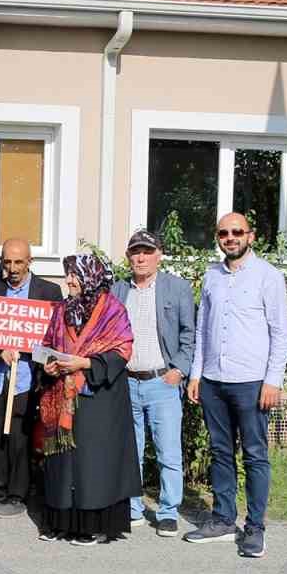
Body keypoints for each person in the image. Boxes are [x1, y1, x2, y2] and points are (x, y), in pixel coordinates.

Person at [185, 212, 287, 558]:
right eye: (223, 233)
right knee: (220, 452)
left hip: (251, 382)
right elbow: (202, 330)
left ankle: (255, 528)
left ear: (251, 236)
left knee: (256, 455)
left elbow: (280, 333)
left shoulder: (268, 277)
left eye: (237, 232)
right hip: (214, 380)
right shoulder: (212, 276)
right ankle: (223, 518)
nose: (230, 238)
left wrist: (272, 380)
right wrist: (197, 374)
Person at [36, 254, 141, 546]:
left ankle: (91, 526)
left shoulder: (113, 310)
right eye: (67, 274)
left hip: (99, 398)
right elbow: (47, 345)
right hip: (62, 396)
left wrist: (83, 363)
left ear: (91, 278)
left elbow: (122, 349)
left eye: (74, 275)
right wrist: (47, 364)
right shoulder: (62, 310)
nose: (68, 281)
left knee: (92, 465)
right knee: (63, 462)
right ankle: (60, 522)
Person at [112, 228, 196, 538]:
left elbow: (190, 333)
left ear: (159, 255)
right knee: (129, 450)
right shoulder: (118, 290)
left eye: (147, 251)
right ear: (128, 256)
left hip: (162, 381)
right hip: (127, 383)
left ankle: (168, 511)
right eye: (135, 251)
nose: (141, 257)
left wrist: (179, 370)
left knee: (168, 451)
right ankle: (132, 508)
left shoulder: (176, 288)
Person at [0, 238, 60, 518]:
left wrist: (33, 351)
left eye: (18, 262)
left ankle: (17, 495)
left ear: (30, 262)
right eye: (7, 262)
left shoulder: (48, 291)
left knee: (20, 438)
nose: (12, 268)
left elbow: (56, 338)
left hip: (28, 378)